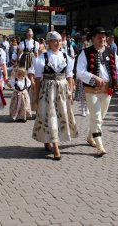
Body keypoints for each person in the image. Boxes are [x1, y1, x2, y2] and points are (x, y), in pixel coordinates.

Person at [76, 27, 118, 157]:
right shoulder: (85, 53)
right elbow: (80, 72)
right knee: (96, 116)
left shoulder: (111, 52)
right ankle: (100, 146)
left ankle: (90, 137)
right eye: (99, 36)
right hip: (91, 90)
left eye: (104, 37)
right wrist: (94, 77)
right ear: (92, 38)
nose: (102, 39)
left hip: (107, 89)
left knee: (100, 117)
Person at [32, 31, 78, 160]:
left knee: (60, 115)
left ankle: (48, 141)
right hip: (48, 90)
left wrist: (71, 91)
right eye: (54, 40)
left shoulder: (66, 57)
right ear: (49, 42)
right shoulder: (42, 57)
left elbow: (70, 76)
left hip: (62, 90)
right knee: (50, 115)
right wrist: (36, 97)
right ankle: (56, 147)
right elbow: (37, 79)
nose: (57, 43)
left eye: (59, 40)